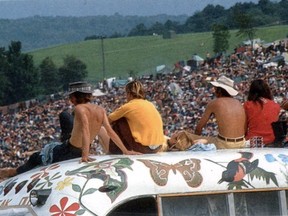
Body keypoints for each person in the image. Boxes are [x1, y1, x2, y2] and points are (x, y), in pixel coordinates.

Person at [0, 81, 140, 179]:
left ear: (74, 97)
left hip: (69, 151)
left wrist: (85, 155)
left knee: (36, 157)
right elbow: (110, 132)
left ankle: (12, 172)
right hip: (75, 148)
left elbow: (85, 130)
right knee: (64, 118)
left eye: (71, 97)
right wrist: (126, 151)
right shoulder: (101, 110)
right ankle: (10, 172)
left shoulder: (79, 109)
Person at [169, 75, 246, 149]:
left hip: (224, 144)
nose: (214, 91)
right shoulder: (238, 103)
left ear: (219, 90)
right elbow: (244, 128)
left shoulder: (215, 103)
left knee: (182, 135)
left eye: (215, 89)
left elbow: (199, 128)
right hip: (242, 143)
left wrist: (196, 139)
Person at [99, 80, 166, 154]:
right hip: (158, 147)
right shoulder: (150, 104)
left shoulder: (128, 106)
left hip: (144, 148)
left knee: (120, 121)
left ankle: (115, 151)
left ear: (129, 94)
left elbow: (107, 121)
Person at [244, 79, 281, 146]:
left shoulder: (247, 105)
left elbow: (244, 129)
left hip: (253, 142)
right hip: (272, 142)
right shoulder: (276, 106)